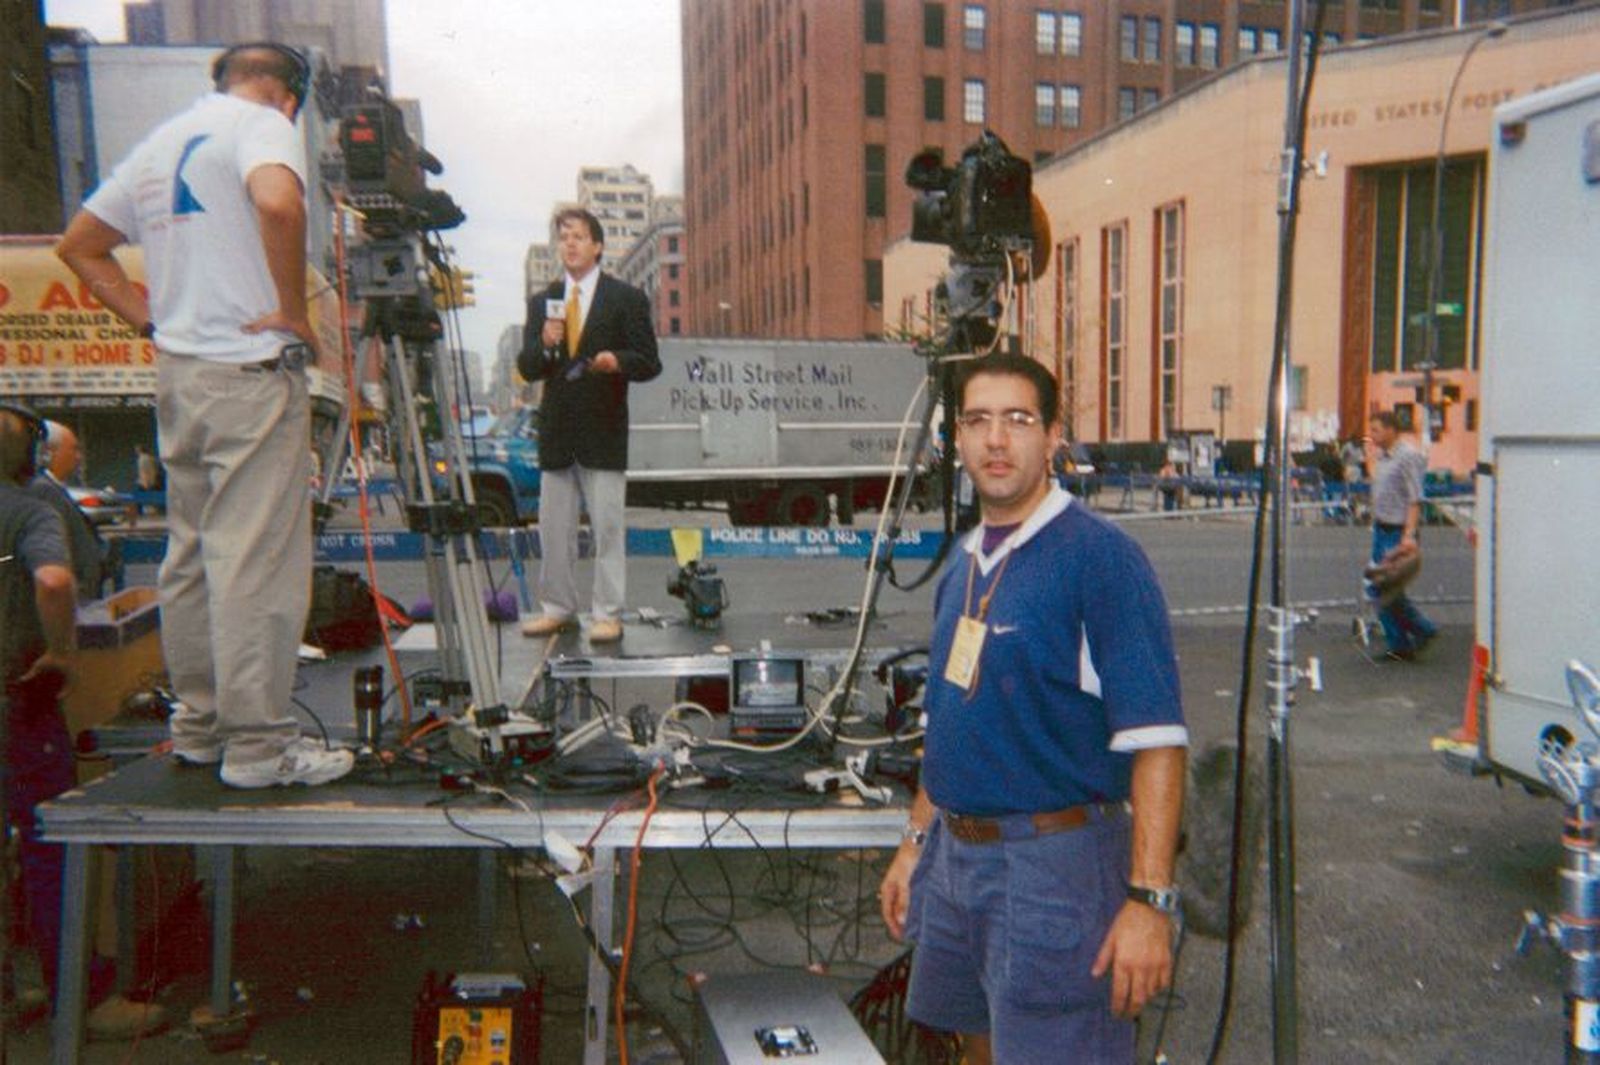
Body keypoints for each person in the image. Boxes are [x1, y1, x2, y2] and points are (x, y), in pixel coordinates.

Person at [55, 43, 353, 788]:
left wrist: (146, 318)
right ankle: (258, 746)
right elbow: (280, 202)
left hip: (181, 374)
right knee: (255, 561)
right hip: (248, 374)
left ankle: (200, 725)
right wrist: (292, 311)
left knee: (188, 557)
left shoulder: (163, 141)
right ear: (288, 97)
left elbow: (80, 245)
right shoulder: (263, 123)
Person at [878, 354, 1187, 1065]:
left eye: (1017, 420)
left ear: (1052, 435)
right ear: (956, 438)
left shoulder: (1101, 558)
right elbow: (952, 722)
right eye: (979, 421)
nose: (996, 439)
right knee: (972, 1046)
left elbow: (1160, 744)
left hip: (1055, 869)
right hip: (957, 862)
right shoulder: (963, 562)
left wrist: (1148, 902)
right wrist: (914, 842)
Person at [517, 208, 660, 644]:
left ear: (597, 246)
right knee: (554, 529)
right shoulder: (543, 303)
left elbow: (649, 361)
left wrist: (617, 361)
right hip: (558, 432)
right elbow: (527, 368)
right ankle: (557, 607)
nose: (570, 244)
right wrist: (544, 345)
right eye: (563, 237)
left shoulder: (626, 299)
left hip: (603, 431)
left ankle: (607, 612)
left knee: (607, 529)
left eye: (578, 236)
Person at [1364, 411, 1437, 661]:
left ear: (1391, 429)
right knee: (1381, 588)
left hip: (1397, 532)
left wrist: (1409, 536)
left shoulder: (1408, 456)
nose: (1371, 435)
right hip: (1381, 529)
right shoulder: (1382, 457)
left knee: (1385, 589)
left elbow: (1415, 498)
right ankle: (1401, 642)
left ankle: (1420, 631)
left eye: (1375, 430)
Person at [28, 422, 107, 602]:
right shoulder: (45, 491)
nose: (79, 457)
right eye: (73, 449)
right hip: (72, 599)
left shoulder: (53, 488)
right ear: (49, 453)